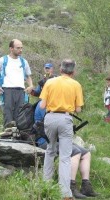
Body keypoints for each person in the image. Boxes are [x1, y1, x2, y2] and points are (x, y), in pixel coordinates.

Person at [39, 59, 84, 199]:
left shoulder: (50, 82)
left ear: (60, 69)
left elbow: (42, 105)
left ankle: (46, 185)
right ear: (73, 71)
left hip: (50, 117)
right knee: (65, 156)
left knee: (50, 151)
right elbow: (78, 109)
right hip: (65, 119)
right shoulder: (76, 85)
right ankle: (65, 192)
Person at [34, 103, 97, 199]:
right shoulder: (45, 105)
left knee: (86, 153)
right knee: (75, 152)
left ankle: (86, 186)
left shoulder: (54, 102)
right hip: (44, 141)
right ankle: (71, 185)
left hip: (60, 140)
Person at [0, 39, 34, 128]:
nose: (20, 50)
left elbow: (28, 76)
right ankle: (7, 136)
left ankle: (18, 135)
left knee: (20, 114)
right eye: (18, 48)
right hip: (7, 90)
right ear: (11, 48)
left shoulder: (24, 61)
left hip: (21, 91)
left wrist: (31, 85)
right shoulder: (2, 60)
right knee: (8, 114)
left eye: (21, 48)